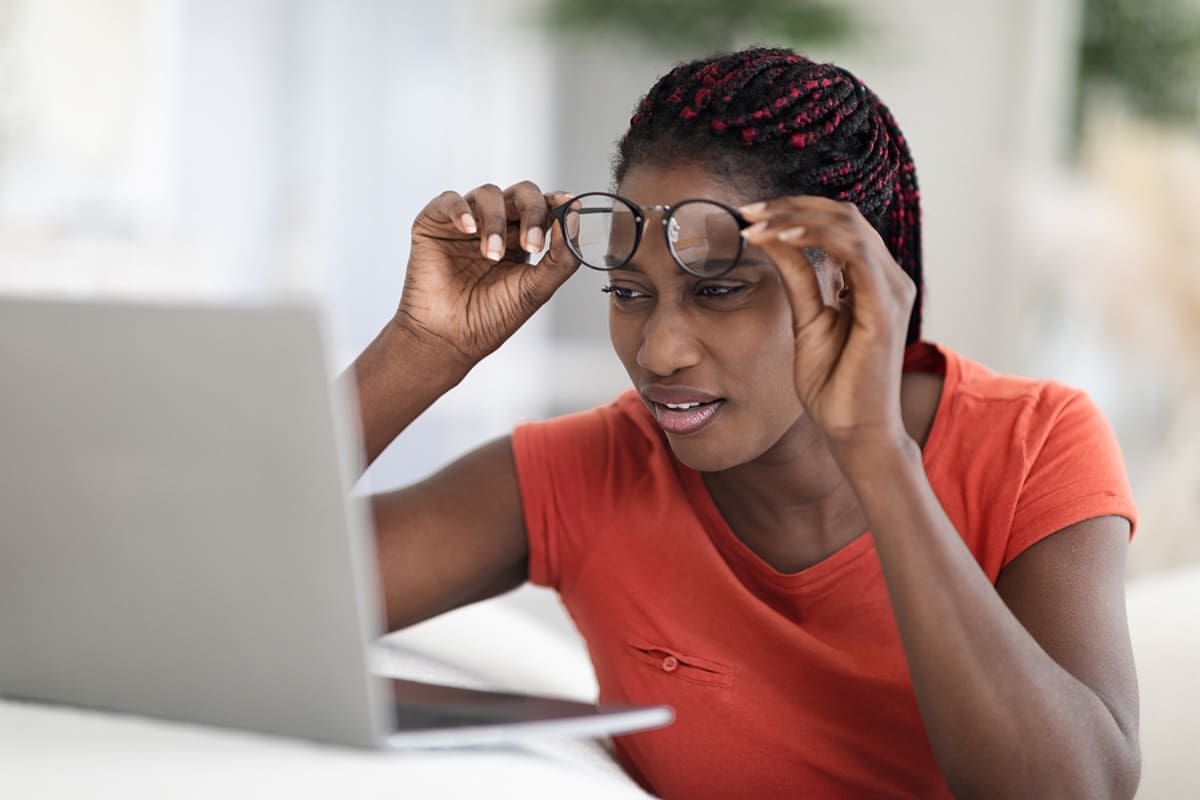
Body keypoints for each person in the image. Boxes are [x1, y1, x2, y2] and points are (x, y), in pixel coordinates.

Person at [349, 47, 1140, 799]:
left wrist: (877, 453)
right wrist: (421, 349)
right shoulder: (593, 469)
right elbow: (244, 604)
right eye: (629, 294)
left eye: (719, 290)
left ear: (850, 285)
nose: (659, 352)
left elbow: (1077, 789)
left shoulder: (1034, 443)